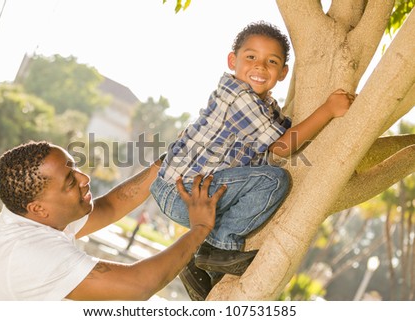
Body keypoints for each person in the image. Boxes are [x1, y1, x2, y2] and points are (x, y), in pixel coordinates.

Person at [150, 21, 355, 300]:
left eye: (271, 61)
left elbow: (288, 131)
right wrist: (328, 110)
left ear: (283, 73)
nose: (260, 67)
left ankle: (197, 261)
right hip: (183, 192)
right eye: (251, 57)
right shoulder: (237, 95)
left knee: (260, 177)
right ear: (232, 60)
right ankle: (218, 249)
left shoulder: (266, 107)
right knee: (273, 180)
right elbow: (282, 146)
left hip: (195, 191)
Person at [0, 141, 226, 300]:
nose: (84, 178)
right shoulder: (29, 254)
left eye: (74, 167)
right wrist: (200, 228)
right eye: (70, 182)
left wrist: (169, 161)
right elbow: (138, 285)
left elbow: (111, 206)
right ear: (39, 209)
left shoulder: (29, 215)